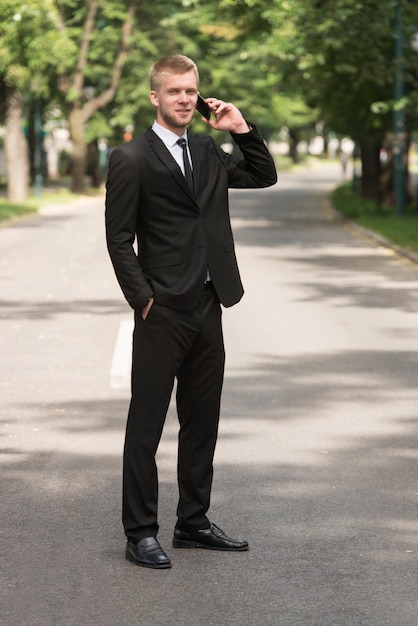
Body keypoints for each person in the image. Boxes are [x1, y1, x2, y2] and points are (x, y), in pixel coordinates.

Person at [105, 54, 277, 569]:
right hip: (163, 311)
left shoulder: (206, 148)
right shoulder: (130, 158)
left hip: (209, 303)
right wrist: (144, 299)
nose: (184, 99)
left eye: (190, 91)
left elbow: (262, 175)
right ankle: (140, 532)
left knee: (202, 420)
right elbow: (119, 241)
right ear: (154, 96)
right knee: (147, 424)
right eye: (174, 91)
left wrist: (240, 128)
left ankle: (193, 522)